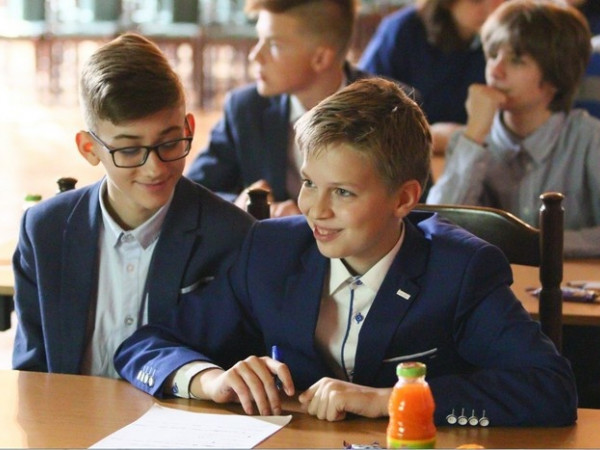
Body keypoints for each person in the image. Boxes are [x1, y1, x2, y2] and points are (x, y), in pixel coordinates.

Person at [115, 78, 576, 427]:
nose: (315, 209)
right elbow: (145, 345)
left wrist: (389, 400)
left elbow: (550, 388)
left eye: (343, 192)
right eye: (309, 183)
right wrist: (208, 379)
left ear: (403, 199)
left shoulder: (461, 270)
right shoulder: (270, 250)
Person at [11, 33, 255, 378]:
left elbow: (234, 367)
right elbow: (31, 373)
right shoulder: (44, 230)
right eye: (128, 150)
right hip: (68, 412)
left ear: (188, 128)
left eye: (169, 143)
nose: (155, 168)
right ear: (89, 149)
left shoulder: (231, 235)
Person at [185, 0, 420, 217]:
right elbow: (193, 194)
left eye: (273, 45)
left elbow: (416, 208)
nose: (255, 55)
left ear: (320, 58)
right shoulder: (246, 109)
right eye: (259, 39)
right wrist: (239, 205)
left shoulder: (394, 110)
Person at [427, 0, 600, 258]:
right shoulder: (472, 140)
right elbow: (437, 230)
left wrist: (536, 244)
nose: (495, 71)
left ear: (556, 76)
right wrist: (473, 135)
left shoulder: (590, 139)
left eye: (516, 60)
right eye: (493, 55)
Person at [358, 0, 504, 153]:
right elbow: (362, 102)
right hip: (399, 153)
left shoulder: (495, 41)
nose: (489, 8)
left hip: (469, 154)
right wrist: (428, 136)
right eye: (476, 1)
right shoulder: (402, 30)